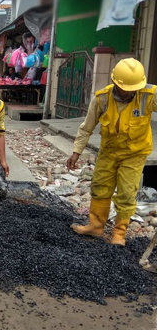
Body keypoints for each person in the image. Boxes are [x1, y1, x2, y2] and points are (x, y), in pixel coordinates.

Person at [67, 58, 157, 246]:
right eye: (127, 88)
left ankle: (119, 233)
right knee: (100, 187)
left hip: (135, 154)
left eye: (134, 88)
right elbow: (86, 128)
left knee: (126, 192)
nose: (131, 91)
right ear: (116, 82)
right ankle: (95, 226)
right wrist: (76, 151)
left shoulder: (149, 95)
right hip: (109, 152)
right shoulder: (102, 98)